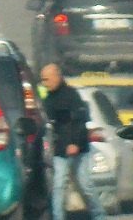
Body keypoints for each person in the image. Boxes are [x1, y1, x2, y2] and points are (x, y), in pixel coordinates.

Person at [40, 63, 107, 220]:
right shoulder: (48, 100)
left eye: (47, 79)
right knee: (58, 185)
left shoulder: (71, 96)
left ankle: (99, 215)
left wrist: (74, 143)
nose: (45, 83)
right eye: (43, 80)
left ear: (57, 76)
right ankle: (58, 217)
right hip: (59, 149)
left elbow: (79, 121)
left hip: (78, 148)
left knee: (85, 185)